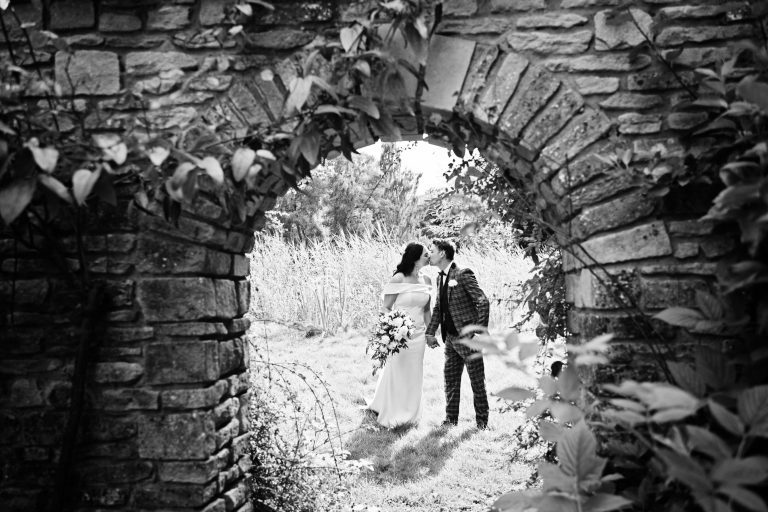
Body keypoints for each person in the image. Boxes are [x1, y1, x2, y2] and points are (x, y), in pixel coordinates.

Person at [425, 239, 490, 430]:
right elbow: (438, 307)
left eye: (432, 250)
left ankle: (482, 424)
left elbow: (483, 301)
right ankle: (450, 419)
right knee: (450, 380)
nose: (430, 254)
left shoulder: (463, 274)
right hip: (451, 339)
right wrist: (430, 333)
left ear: (443, 254)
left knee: (477, 382)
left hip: (469, 339)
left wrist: (479, 332)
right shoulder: (440, 277)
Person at [367, 243, 433, 428]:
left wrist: (431, 332)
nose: (429, 257)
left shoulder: (427, 280)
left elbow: (427, 309)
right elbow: (386, 306)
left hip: (419, 336)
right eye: (426, 255)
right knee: (397, 372)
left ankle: (411, 414)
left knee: (414, 373)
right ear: (415, 257)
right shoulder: (398, 278)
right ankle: (393, 411)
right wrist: (392, 328)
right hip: (399, 336)